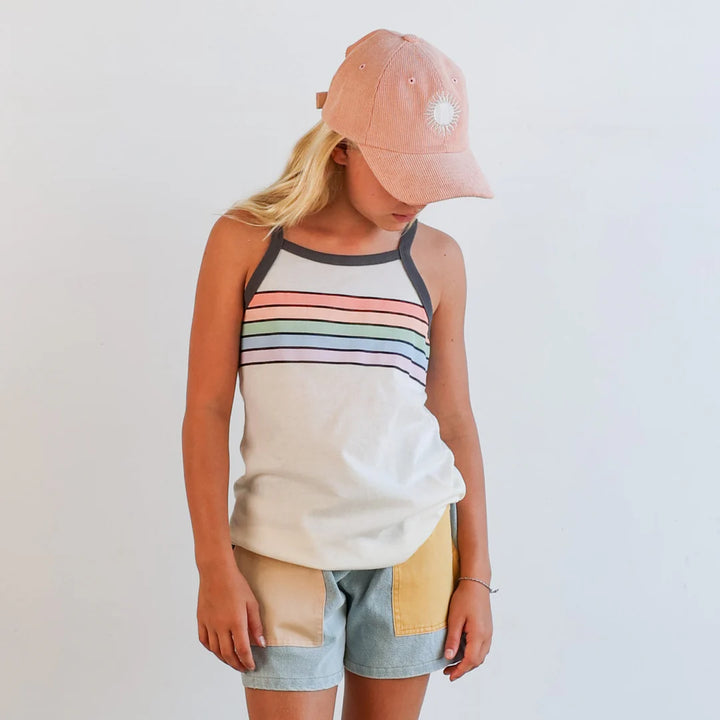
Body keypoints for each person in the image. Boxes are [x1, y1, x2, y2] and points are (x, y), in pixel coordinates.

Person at [182, 28, 498, 720]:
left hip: (416, 546)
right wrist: (213, 566)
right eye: (401, 173)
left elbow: (454, 421)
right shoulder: (244, 242)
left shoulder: (437, 260)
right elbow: (206, 410)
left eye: (432, 178)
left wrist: (475, 574)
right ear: (343, 146)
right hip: (278, 549)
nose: (417, 198)